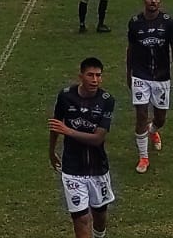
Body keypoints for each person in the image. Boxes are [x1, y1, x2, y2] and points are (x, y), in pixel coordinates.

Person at [49, 57, 116, 238]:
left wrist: (68, 131)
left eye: (98, 75)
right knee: (81, 219)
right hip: (73, 169)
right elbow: (56, 125)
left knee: (100, 216)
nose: (95, 80)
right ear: (81, 76)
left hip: (98, 168)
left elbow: (98, 139)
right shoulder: (65, 96)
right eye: (90, 75)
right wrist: (51, 151)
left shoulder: (107, 100)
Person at [125, 0, 173, 174]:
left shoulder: (168, 23)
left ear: (160, 1)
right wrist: (128, 73)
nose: (153, 1)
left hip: (161, 76)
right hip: (140, 75)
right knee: (141, 114)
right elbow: (130, 49)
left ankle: (153, 130)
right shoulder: (135, 23)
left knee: (161, 118)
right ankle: (143, 157)